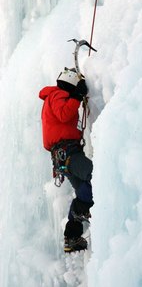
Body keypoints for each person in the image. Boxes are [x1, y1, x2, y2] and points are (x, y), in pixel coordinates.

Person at [39, 67, 94, 252]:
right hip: (69, 153)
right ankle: (78, 214)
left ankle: (72, 237)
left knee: (86, 192)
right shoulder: (57, 94)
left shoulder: (53, 96)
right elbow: (64, 114)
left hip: (64, 157)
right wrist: (77, 96)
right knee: (96, 175)